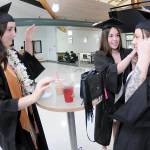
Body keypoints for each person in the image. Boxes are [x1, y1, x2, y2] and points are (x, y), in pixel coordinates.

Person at [0, 3, 52, 150]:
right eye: (9, 29)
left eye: (14, 29)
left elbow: (27, 67)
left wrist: (28, 39)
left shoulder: (11, 53)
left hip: (28, 113)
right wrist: (34, 97)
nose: (14, 34)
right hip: (13, 126)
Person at [93, 18, 136, 150]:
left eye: (117, 35)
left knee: (118, 123)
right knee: (105, 124)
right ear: (105, 38)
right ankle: (104, 147)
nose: (115, 39)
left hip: (122, 97)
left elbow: (133, 74)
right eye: (111, 36)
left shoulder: (125, 52)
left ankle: (117, 145)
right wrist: (130, 57)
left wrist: (133, 62)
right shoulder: (100, 55)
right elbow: (114, 70)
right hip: (107, 98)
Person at [112, 20, 150, 150]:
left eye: (137, 37)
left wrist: (144, 59)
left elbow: (131, 101)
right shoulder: (143, 65)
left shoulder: (144, 65)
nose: (133, 42)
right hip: (127, 134)